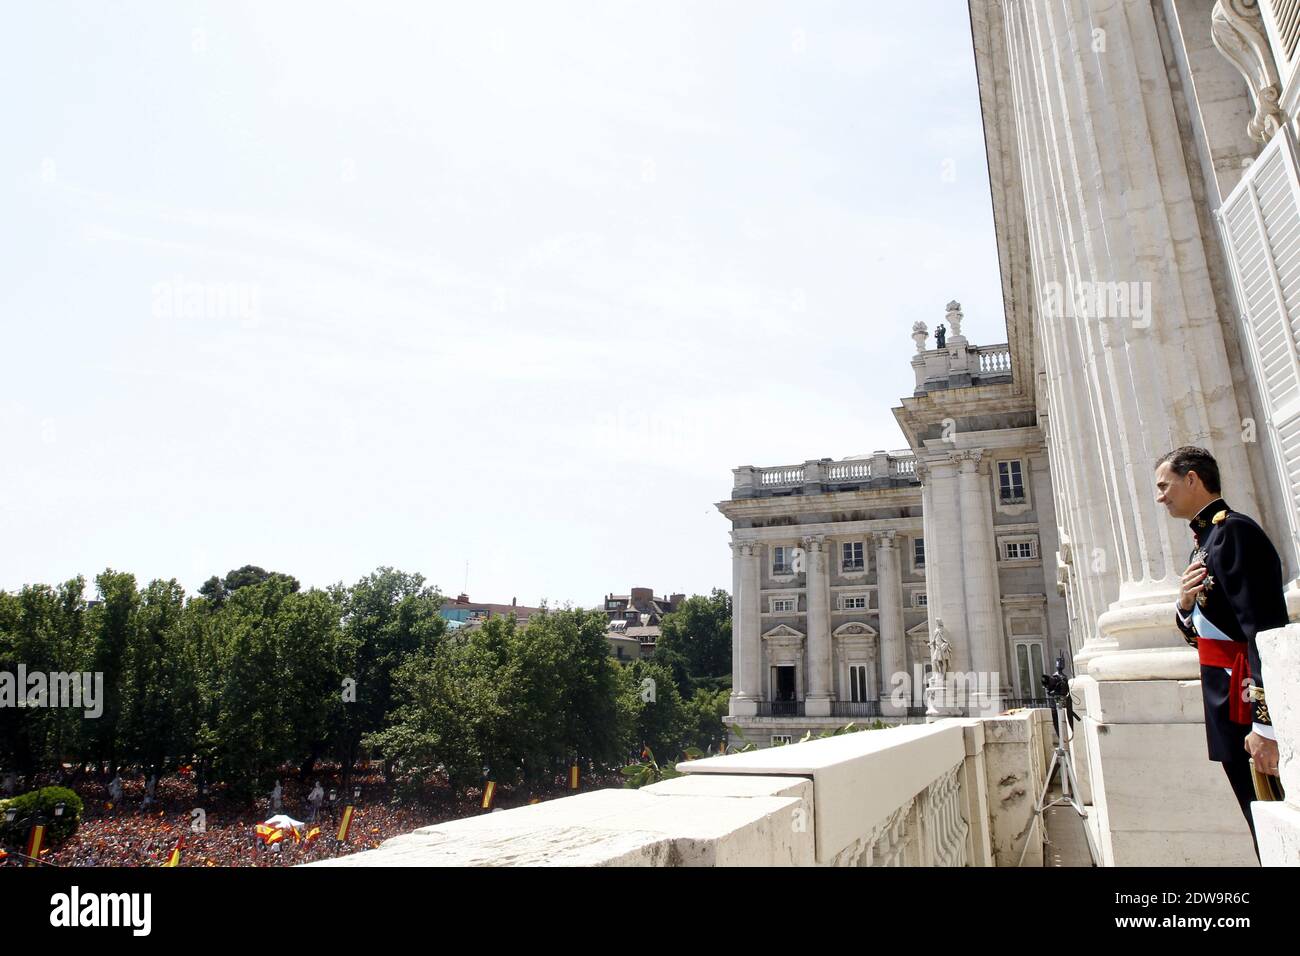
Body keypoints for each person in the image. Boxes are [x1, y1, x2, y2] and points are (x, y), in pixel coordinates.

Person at [1154, 446, 1286, 859]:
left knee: (1277, 824)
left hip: (1246, 706)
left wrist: (1265, 727)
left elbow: (1262, 631)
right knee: (1259, 824)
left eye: (1164, 485)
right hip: (1228, 707)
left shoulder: (1233, 532)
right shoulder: (1204, 542)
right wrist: (1183, 606)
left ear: (1192, 479)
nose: (1160, 497)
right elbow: (1205, 636)